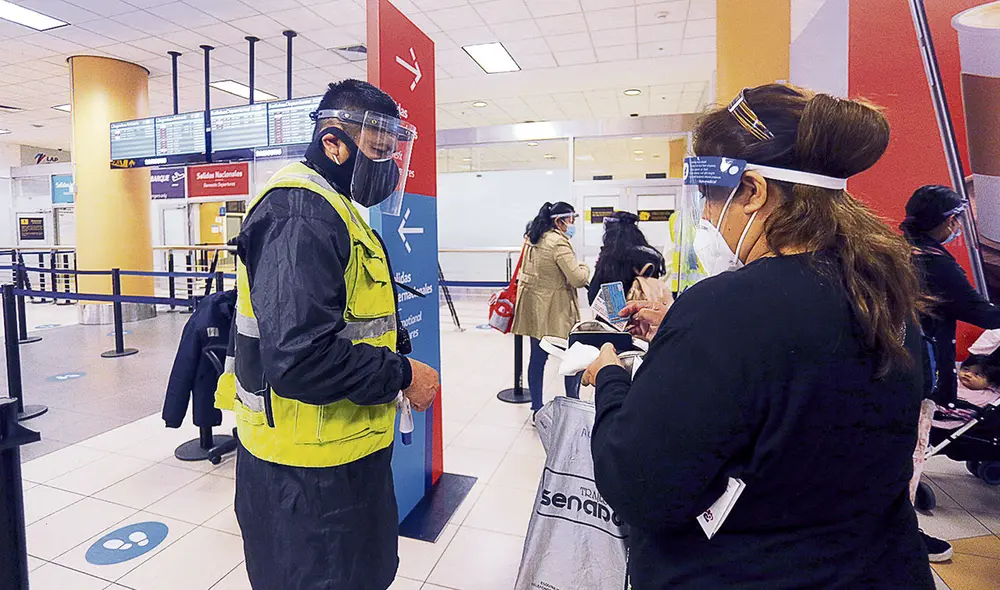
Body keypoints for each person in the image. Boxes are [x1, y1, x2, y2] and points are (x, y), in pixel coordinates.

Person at [583, 84, 935, 588]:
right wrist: (681, 338)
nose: (704, 215)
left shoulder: (725, 307)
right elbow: (804, 381)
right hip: (875, 566)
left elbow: (640, 487)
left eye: (708, 196)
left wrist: (612, 380)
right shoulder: (881, 291)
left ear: (752, 191)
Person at [216, 80, 440, 590]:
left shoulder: (335, 209)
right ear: (333, 142)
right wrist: (402, 373)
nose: (391, 167)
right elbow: (299, 359)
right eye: (379, 151)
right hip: (306, 479)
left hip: (341, 459)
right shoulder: (301, 213)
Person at [900, 185, 1000, 562]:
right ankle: (904, 535)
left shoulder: (897, 248)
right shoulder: (933, 260)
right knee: (910, 455)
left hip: (895, 361)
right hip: (920, 365)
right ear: (942, 221)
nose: (957, 226)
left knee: (900, 449)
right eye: (954, 219)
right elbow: (980, 312)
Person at [901, 184, 1000, 405]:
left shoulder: (900, 248)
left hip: (904, 357)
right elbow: (984, 315)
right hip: (925, 357)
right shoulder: (934, 264)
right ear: (948, 220)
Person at [512, 201, 589, 415]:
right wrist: (585, 266)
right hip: (557, 310)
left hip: (535, 309)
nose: (572, 224)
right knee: (572, 358)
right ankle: (572, 406)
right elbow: (577, 279)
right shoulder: (558, 243)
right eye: (571, 220)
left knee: (537, 359)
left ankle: (536, 407)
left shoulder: (533, 238)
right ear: (559, 221)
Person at [586, 211, 666, 305]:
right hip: (646, 311)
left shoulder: (609, 259)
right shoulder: (652, 255)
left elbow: (593, 295)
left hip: (617, 313)